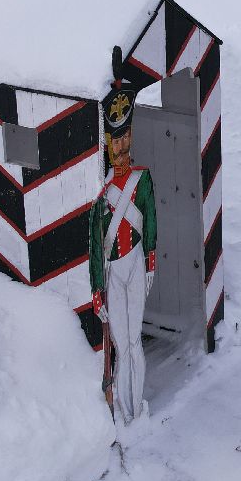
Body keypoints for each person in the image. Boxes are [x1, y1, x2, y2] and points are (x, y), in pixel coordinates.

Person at [89, 86, 158, 428]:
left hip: (135, 265)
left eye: (126, 136)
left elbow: (151, 220)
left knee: (134, 343)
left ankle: (135, 409)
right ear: (106, 141)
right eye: (116, 139)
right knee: (120, 342)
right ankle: (123, 411)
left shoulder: (142, 179)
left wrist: (150, 261)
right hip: (113, 269)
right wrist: (97, 287)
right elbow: (94, 244)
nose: (122, 146)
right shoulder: (100, 192)